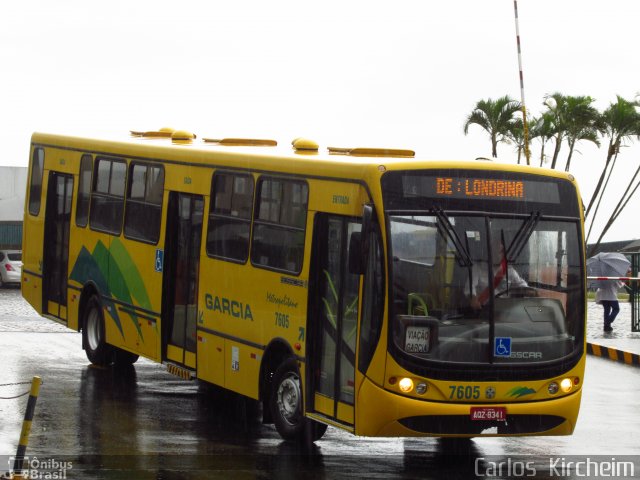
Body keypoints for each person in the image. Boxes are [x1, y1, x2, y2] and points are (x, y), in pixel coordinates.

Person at [469, 238, 528, 310]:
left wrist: (529, 291)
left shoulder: (509, 270)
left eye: (500, 252)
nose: (497, 254)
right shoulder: (478, 268)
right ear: (489, 253)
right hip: (484, 310)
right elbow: (469, 287)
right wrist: (473, 298)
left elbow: (522, 285)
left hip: (505, 311)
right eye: (494, 251)